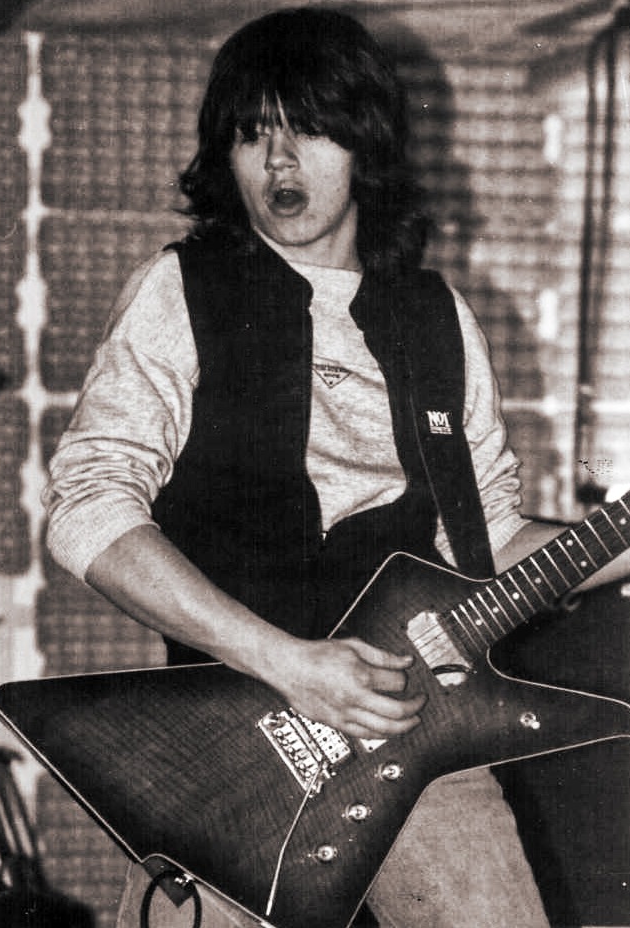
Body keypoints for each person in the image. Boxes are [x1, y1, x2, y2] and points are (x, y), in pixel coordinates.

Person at [43, 8, 630, 928]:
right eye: (252, 135)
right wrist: (286, 663)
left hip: (418, 734)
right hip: (236, 753)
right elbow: (88, 509)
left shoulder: (436, 316)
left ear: (365, 147)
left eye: (309, 130)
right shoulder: (183, 288)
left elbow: (481, 545)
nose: (279, 163)